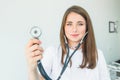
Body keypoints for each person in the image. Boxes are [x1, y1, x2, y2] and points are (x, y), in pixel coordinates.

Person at [25, 5, 111, 80]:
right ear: (64, 28)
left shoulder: (98, 54)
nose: (74, 29)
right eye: (69, 24)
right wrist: (31, 68)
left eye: (80, 24)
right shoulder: (52, 52)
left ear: (87, 28)